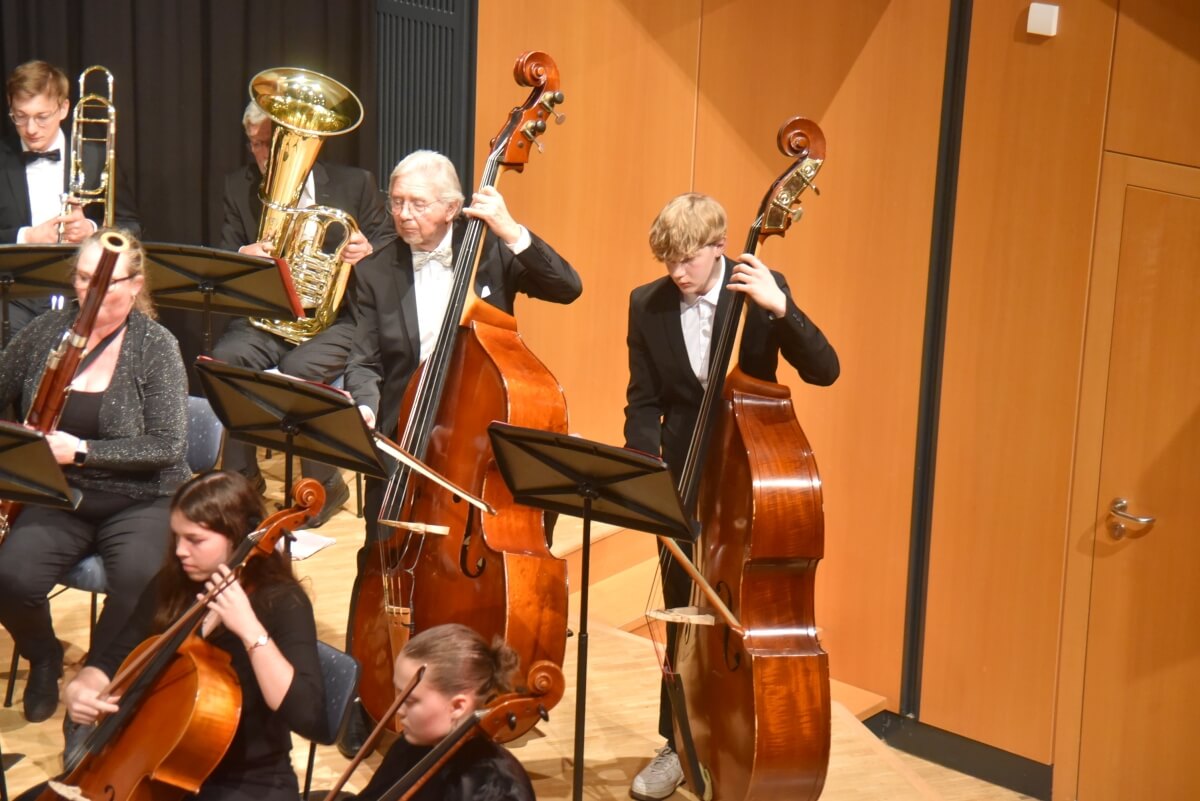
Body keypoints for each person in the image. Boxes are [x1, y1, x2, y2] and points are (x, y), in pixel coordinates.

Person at [623, 193, 839, 800]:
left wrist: (781, 308)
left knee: (749, 619)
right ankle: (678, 743)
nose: (677, 274)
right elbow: (643, 402)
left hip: (753, 480)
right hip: (685, 480)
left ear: (721, 247)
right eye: (667, 261)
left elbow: (825, 369)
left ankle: (752, 735)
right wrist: (647, 476)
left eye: (687, 260)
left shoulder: (760, 291)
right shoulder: (647, 303)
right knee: (683, 620)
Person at [29, 471, 325, 801]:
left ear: (238, 537)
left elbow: (310, 718)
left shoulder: (281, 602)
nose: (181, 551)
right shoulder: (175, 586)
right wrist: (84, 686)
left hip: (248, 782)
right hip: (156, 764)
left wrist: (250, 631)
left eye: (195, 540)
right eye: (177, 537)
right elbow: (114, 657)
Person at [344, 149, 582, 544]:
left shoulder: (491, 252)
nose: (403, 214)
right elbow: (364, 362)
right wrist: (366, 407)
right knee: (380, 548)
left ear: (452, 208)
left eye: (418, 204)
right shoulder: (374, 270)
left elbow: (567, 288)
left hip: (480, 429)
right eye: (397, 201)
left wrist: (511, 230)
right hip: (403, 431)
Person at [0, 230, 187, 724]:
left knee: (140, 582)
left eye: (103, 281)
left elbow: (168, 445)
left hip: (141, 497)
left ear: (135, 285)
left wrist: (81, 451)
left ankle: (98, 682)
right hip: (59, 494)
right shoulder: (46, 331)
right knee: (10, 576)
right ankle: (45, 656)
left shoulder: (155, 345)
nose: (90, 291)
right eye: (83, 278)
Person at [212, 100, 394, 524]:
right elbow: (223, 253)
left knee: (299, 368)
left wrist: (369, 250)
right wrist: (242, 256)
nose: (260, 156)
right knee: (226, 361)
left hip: (337, 319)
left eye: (268, 146)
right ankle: (241, 479)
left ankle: (325, 485)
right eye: (253, 145)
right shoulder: (238, 186)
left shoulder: (356, 184)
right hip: (267, 318)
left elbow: (390, 244)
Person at [0, 60, 141, 340]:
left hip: (82, 293)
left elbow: (132, 228)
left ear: (64, 108)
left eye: (42, 116)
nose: (31, 128)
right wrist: (26, 237)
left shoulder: (96, 157)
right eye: (20, 116)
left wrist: (90, 230)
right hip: (12, 295)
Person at [351, 623, 535, 801]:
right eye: (398, 693)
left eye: (409, 700)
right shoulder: (411, 746)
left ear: (457, 707)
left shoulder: (496, 791)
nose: (398, 710)